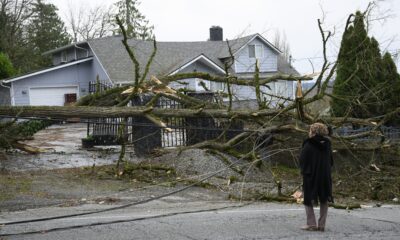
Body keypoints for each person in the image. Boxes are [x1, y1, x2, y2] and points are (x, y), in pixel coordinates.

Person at [299, 123, 334, 232]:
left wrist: (304, 171)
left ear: (313, 132)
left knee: (308, 198)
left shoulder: (308, 144)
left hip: (311, 175)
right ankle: (322, 224)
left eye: (310, 130)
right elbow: (331, 161)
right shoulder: (328, 144)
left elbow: (302, 160)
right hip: (324, 175)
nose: (309, 132)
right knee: (324, 199)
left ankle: (311, 224)